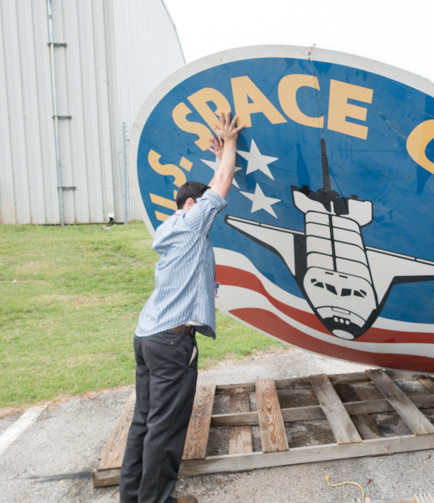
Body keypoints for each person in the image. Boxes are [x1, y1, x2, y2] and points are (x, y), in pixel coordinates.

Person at [119, 111, 244, 503]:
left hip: (147, 337)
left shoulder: (171, 226)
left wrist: (218, 154)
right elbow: (219, 187)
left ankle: (133, 498)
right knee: (166, 428)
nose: (210, 209)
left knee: (144, 422)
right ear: (191, 204)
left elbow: (207, 188)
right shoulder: (191, 223)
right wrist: (232, 144)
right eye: (202, 202)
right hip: (172, 342)